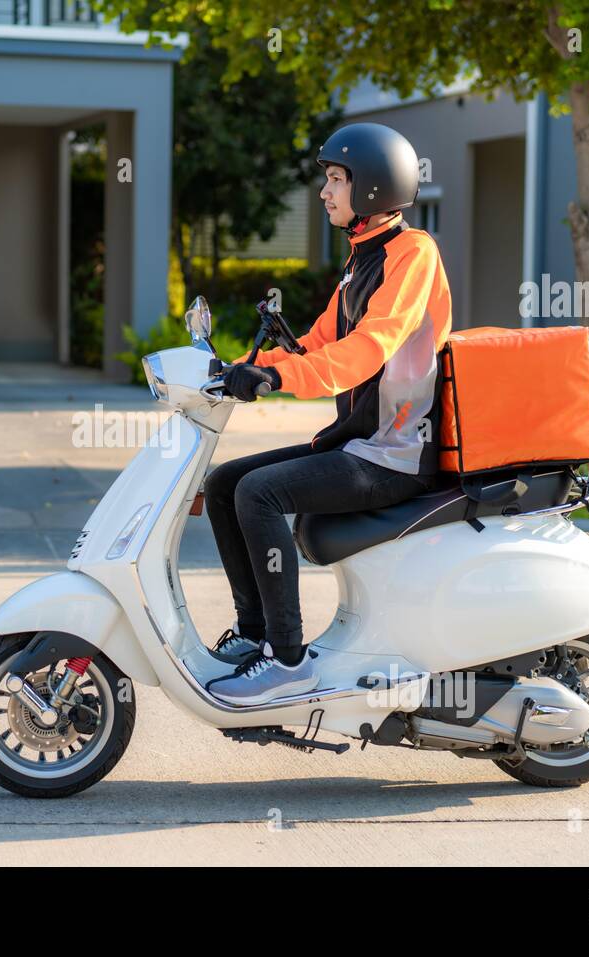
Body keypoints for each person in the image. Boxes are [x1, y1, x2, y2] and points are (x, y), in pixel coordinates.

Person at [203, 122, 453, 707]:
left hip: (395, 454)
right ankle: (256, 637)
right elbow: (313, 343)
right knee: (222, 485)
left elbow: (367, 349)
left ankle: (288, 663)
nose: (324, 191)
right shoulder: (360, 262)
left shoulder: (412, 254)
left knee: (257, 495)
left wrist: (277, 378)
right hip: (358, 444)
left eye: (335, 179)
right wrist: (234, 368)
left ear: (370, 189)